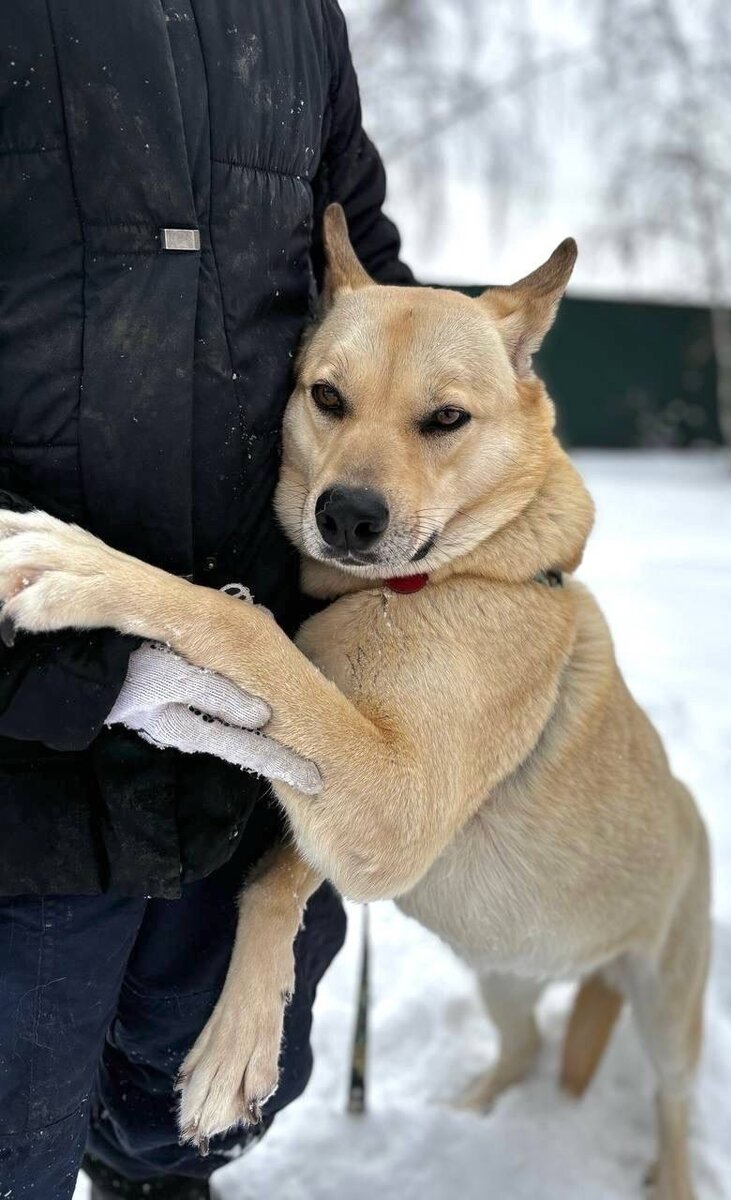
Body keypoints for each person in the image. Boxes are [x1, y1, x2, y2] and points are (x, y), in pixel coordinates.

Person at [0, 3, 412, 1198]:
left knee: (188, 1130)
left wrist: (479, 485)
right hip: (24, 774)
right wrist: (99, 669)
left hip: (238, 755)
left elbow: (363, 277)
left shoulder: (295, 18)